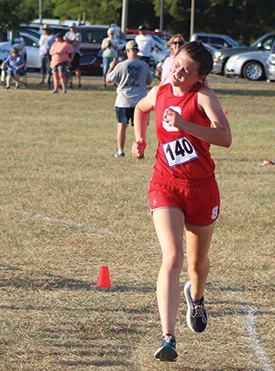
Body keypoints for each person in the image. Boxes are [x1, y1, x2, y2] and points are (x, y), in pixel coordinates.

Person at [131, 41, 232, 362]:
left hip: (201, 189)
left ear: (198, 78)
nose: (177, 71)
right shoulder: (160, 93)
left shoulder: (203, 97)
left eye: (186, 71)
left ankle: (197, 296)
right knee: (172, 256)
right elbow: (140, 109)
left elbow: (225, 137)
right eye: (177, 64)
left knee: (197, 266)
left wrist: (185, 124)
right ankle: (168, 337)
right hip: (166, 185)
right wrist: (140, 138)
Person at [107, 40, 153, 157]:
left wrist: (110, 68)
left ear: (127, 51)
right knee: (140, 129)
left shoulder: (120, 65)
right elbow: (149, 82)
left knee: (121, 127)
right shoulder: (145, 65)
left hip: (123, 101)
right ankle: (140, 152)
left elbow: (108, 80)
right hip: (140, 101)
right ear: (137, 51)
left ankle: (120, 151)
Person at [64, 23, 82, 87]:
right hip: (68, 52)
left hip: (76, 52)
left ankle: (79, 82)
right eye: (71, 27)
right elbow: (65, 41)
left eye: (73, 27)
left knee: (76, 68)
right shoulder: (67, 34)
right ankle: (70, 82)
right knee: (69, 67)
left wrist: (70, 41)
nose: (72, 29)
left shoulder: (78, 35)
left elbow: (76, 43)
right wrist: (72, 41)